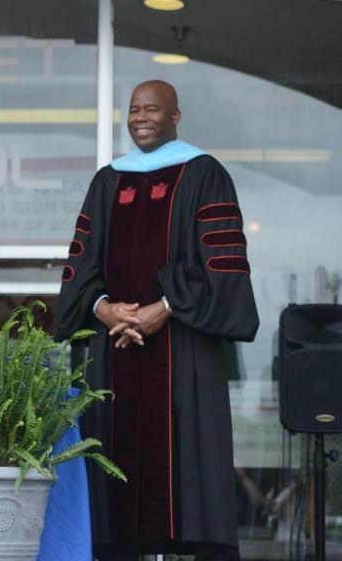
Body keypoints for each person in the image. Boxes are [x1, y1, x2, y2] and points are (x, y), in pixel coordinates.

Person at [56, 80, 259, 561]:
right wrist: (104, 308)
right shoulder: (108, 181)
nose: (141, 118)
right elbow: (82, 263)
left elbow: (219, 265)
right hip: (114, 350)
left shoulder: (204, 173)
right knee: (112, 470)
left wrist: (163, 309)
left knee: (187, 469)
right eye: (134, 110)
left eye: (151, 109)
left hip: (182, 348)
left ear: (175, 116)